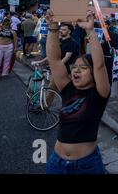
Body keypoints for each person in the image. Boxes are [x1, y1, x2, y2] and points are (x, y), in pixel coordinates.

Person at [44, 10, 110, 174]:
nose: (76, 71)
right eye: (74, 67)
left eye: (83, 68)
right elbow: (54, 60)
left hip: (88, 166)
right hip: (56, 164)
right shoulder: (68, 88)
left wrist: (90, 31)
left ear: (93, 73)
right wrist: (53, 28)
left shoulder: (99, 94)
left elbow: (100, 65)